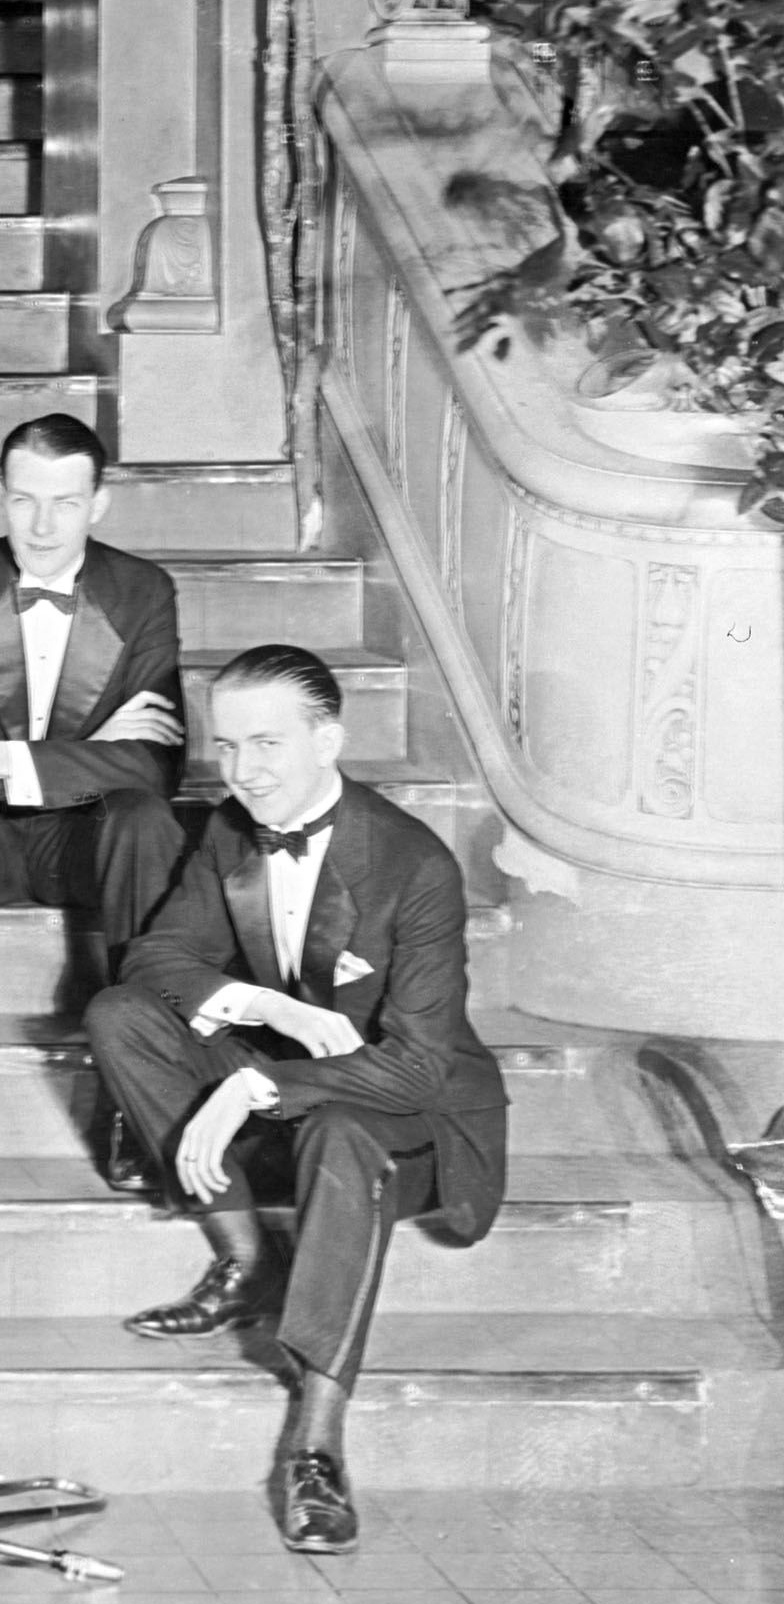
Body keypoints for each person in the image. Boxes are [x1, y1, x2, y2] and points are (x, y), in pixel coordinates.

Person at [85, 647, 507, 1556]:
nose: (243, 771)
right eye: (227, 746)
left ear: (331, 740)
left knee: (347, 1137)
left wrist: (251, 1082)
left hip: (404, 1105)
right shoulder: (233, 829)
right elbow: (156, 959)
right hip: (294, 1076)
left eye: (267, 743)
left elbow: (420, 1069)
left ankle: (317, 1441)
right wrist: (263, 1007)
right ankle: (246, 1262)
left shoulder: (412, 864)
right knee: (121, 1014)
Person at [0, 413, 186, 1194]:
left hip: (91, 841)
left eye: (64, 501)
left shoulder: (144, 591)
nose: (43, 524)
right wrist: (94, 752)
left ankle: (134, 1092)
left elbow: (156, 766)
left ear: (99, 503)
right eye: (24, 500)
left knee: (143, 817)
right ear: (1, 496)